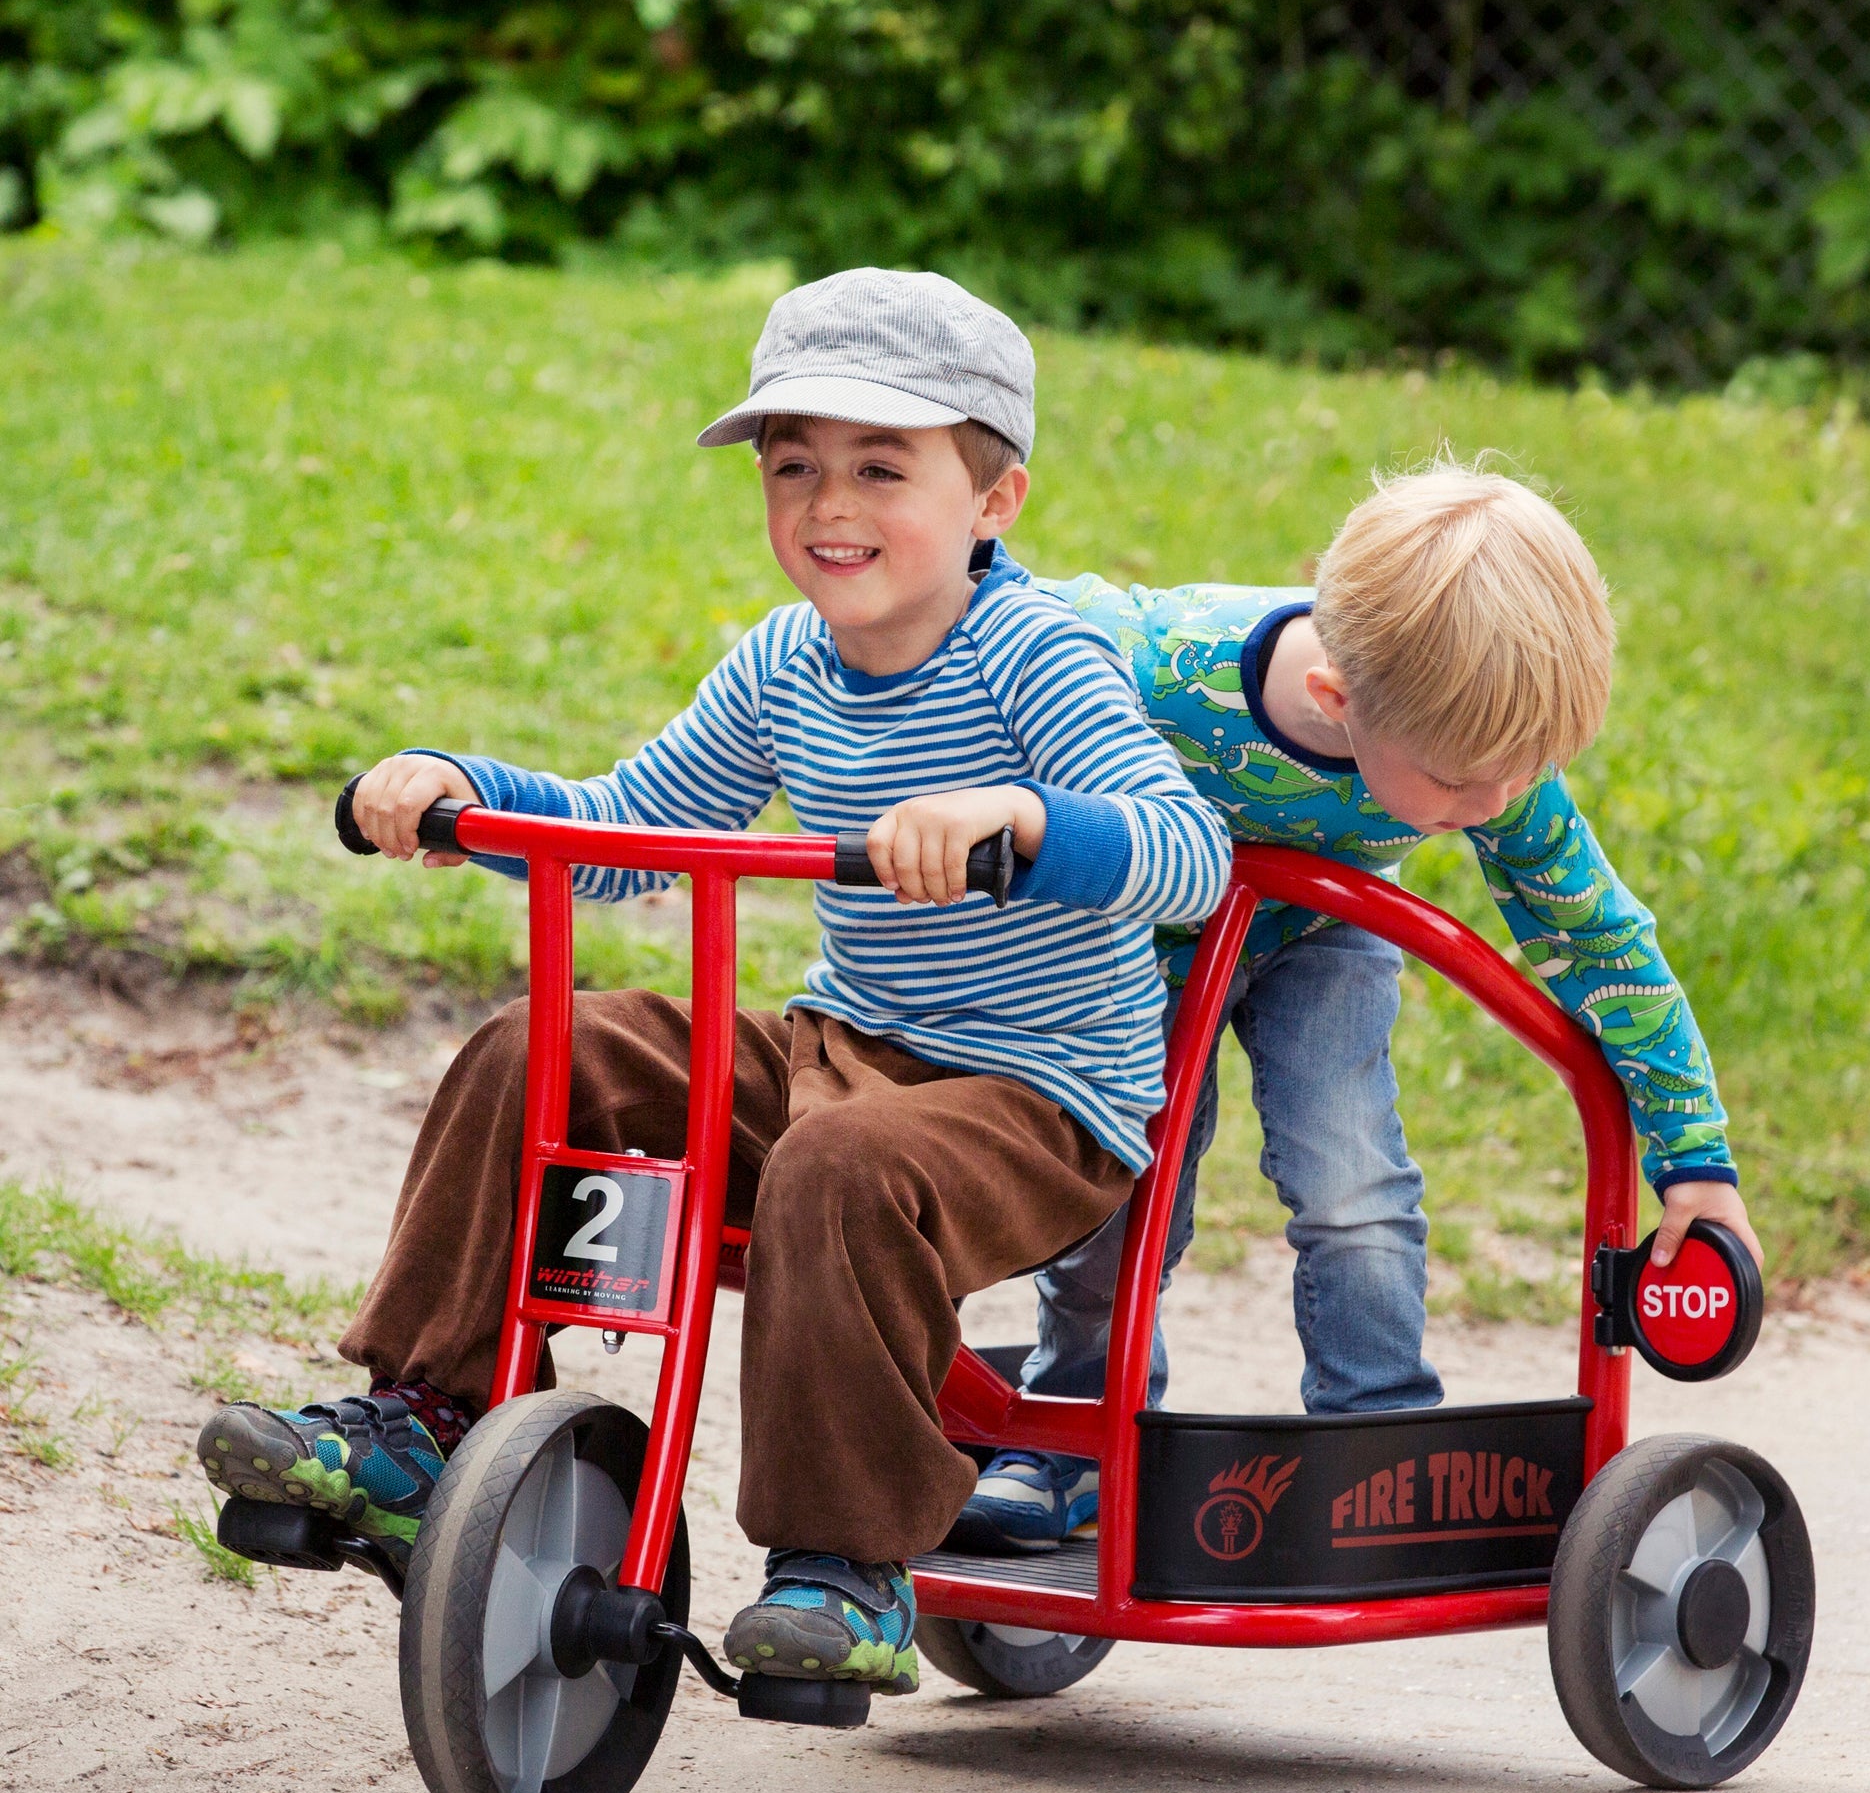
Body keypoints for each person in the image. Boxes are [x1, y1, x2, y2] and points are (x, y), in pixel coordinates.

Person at [193, 268, 1232, 1694]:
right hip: (841, 1051)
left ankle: (847, 1569)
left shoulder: (1037, 657)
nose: (828, 506)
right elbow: (626, 831)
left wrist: (1023, 822)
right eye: (792, 467)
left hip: (1038, 1104)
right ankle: (427, 1416)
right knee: (541, 1045)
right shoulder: (784, 663)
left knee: (842, 1166)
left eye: (883, 467)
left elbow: (1190, 855)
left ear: (995, 501)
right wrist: (463, 790)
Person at [948, 463, 1760, 1555]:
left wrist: (1695, 1158)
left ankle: (1381, 1437)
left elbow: (1601, 939)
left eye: (1528, 771)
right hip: (1135, 949)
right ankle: (1072, 1428)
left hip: (1322, 934)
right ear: (1337, 700)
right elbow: (1003, 609)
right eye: (1467, 783)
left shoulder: (1482, 748)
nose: (1498, 806)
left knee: (1352, 1181)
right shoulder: (1148, 668)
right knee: (1124, 1190)